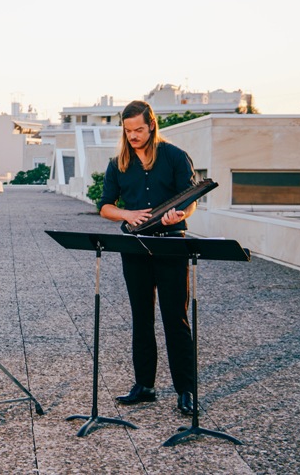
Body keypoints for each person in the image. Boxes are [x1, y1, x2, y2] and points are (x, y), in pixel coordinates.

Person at [98, 100, 196, 416]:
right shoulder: (118, 164)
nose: (133, 136)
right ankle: (145, 386)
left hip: (171, 246)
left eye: (138, 129)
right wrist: (126, 214)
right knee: (141, 318)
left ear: (151, 124)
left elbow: (191, 200)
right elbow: (105, 206)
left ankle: (186, 391)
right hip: (135, 247)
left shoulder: (176, 156)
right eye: (128, 131)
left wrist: (180, 214)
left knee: (175, 319)